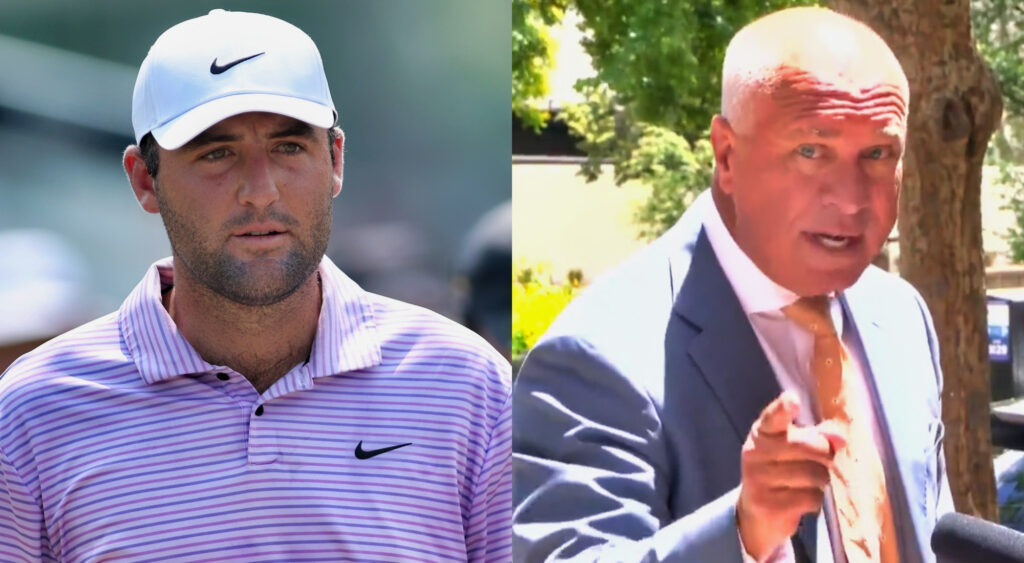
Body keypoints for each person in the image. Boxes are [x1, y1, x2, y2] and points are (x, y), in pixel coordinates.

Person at [0, 10, 511, 562]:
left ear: (335, 160)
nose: (259, 191)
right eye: (216, 153)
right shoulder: (33, 412)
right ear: (145, 180)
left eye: (289, 148)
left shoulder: (469, 388)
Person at [513, 7, 952, 562]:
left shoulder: (901, 317)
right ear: (726, 155)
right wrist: (742, 531)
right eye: (811, 151)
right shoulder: (598, 357)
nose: (850, 197)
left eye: (877, 154)